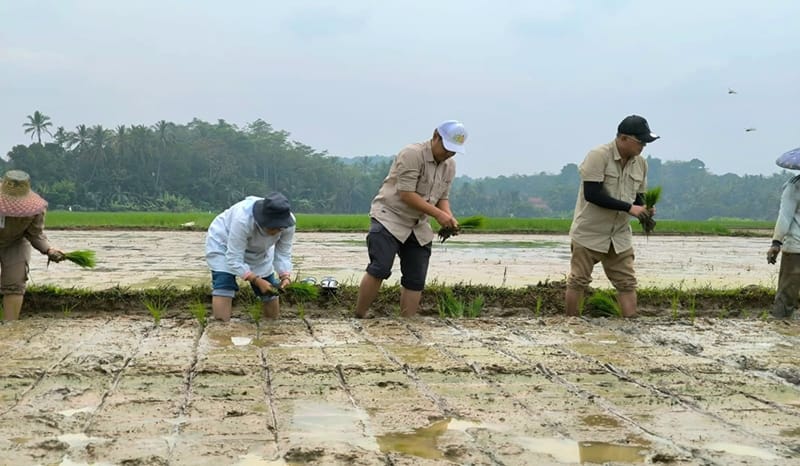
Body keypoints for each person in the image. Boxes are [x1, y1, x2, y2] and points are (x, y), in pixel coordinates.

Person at [355, 120, 466, 318]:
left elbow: (442, 197)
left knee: (416, 277)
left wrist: (448, 216)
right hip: (390, 217)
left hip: (419, 224)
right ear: (435, 137)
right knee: (380, 268)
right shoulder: (412, 154)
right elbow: (406, 194)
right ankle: (359, 315)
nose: (449, 154)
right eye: (447, 148)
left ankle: (408, 322)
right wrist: (439, 215)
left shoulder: (449, 165)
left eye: (454, 151)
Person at [565, 115, 660, 318]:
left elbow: (638, 197)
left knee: (627, 282)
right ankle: (571, 323)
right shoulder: (598, 156)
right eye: (640, 141)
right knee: (579, 280)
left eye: (646, 142)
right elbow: (593, 194)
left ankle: (631, 323)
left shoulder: (641, 164)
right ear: (624, 138)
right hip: (590, 232)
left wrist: (644, 209)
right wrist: (629, 208)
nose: (643, 146)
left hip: (619, 235)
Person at [205, 192, 295, 321]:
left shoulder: (288, 223)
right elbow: (234, 258)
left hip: (259, 251)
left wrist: (285, 275)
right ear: (262, 220)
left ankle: (272, 327)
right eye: (272, 227)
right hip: (224, 244)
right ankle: (221, 328)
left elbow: (283, 252)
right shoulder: (243, 220)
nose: (276, 231)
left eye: (279, 228)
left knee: (270, 291)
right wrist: (256, 280)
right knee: (224, 283)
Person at [0, 170, 66, 321]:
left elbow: (35, 234)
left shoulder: (34, 210)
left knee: (15, 283)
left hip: (14, 243)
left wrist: (49, 250)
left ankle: (11, 326)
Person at [767, 173, 800, 319]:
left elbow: (784, 216)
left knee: (787, 294)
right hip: (796, 247)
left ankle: (783, 328)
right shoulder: (795, 186)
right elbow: (785, 216)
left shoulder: (794, 185)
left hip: (795, 246)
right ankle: (781, 326)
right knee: (787, 294)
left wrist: (776, 242)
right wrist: (776, 242)